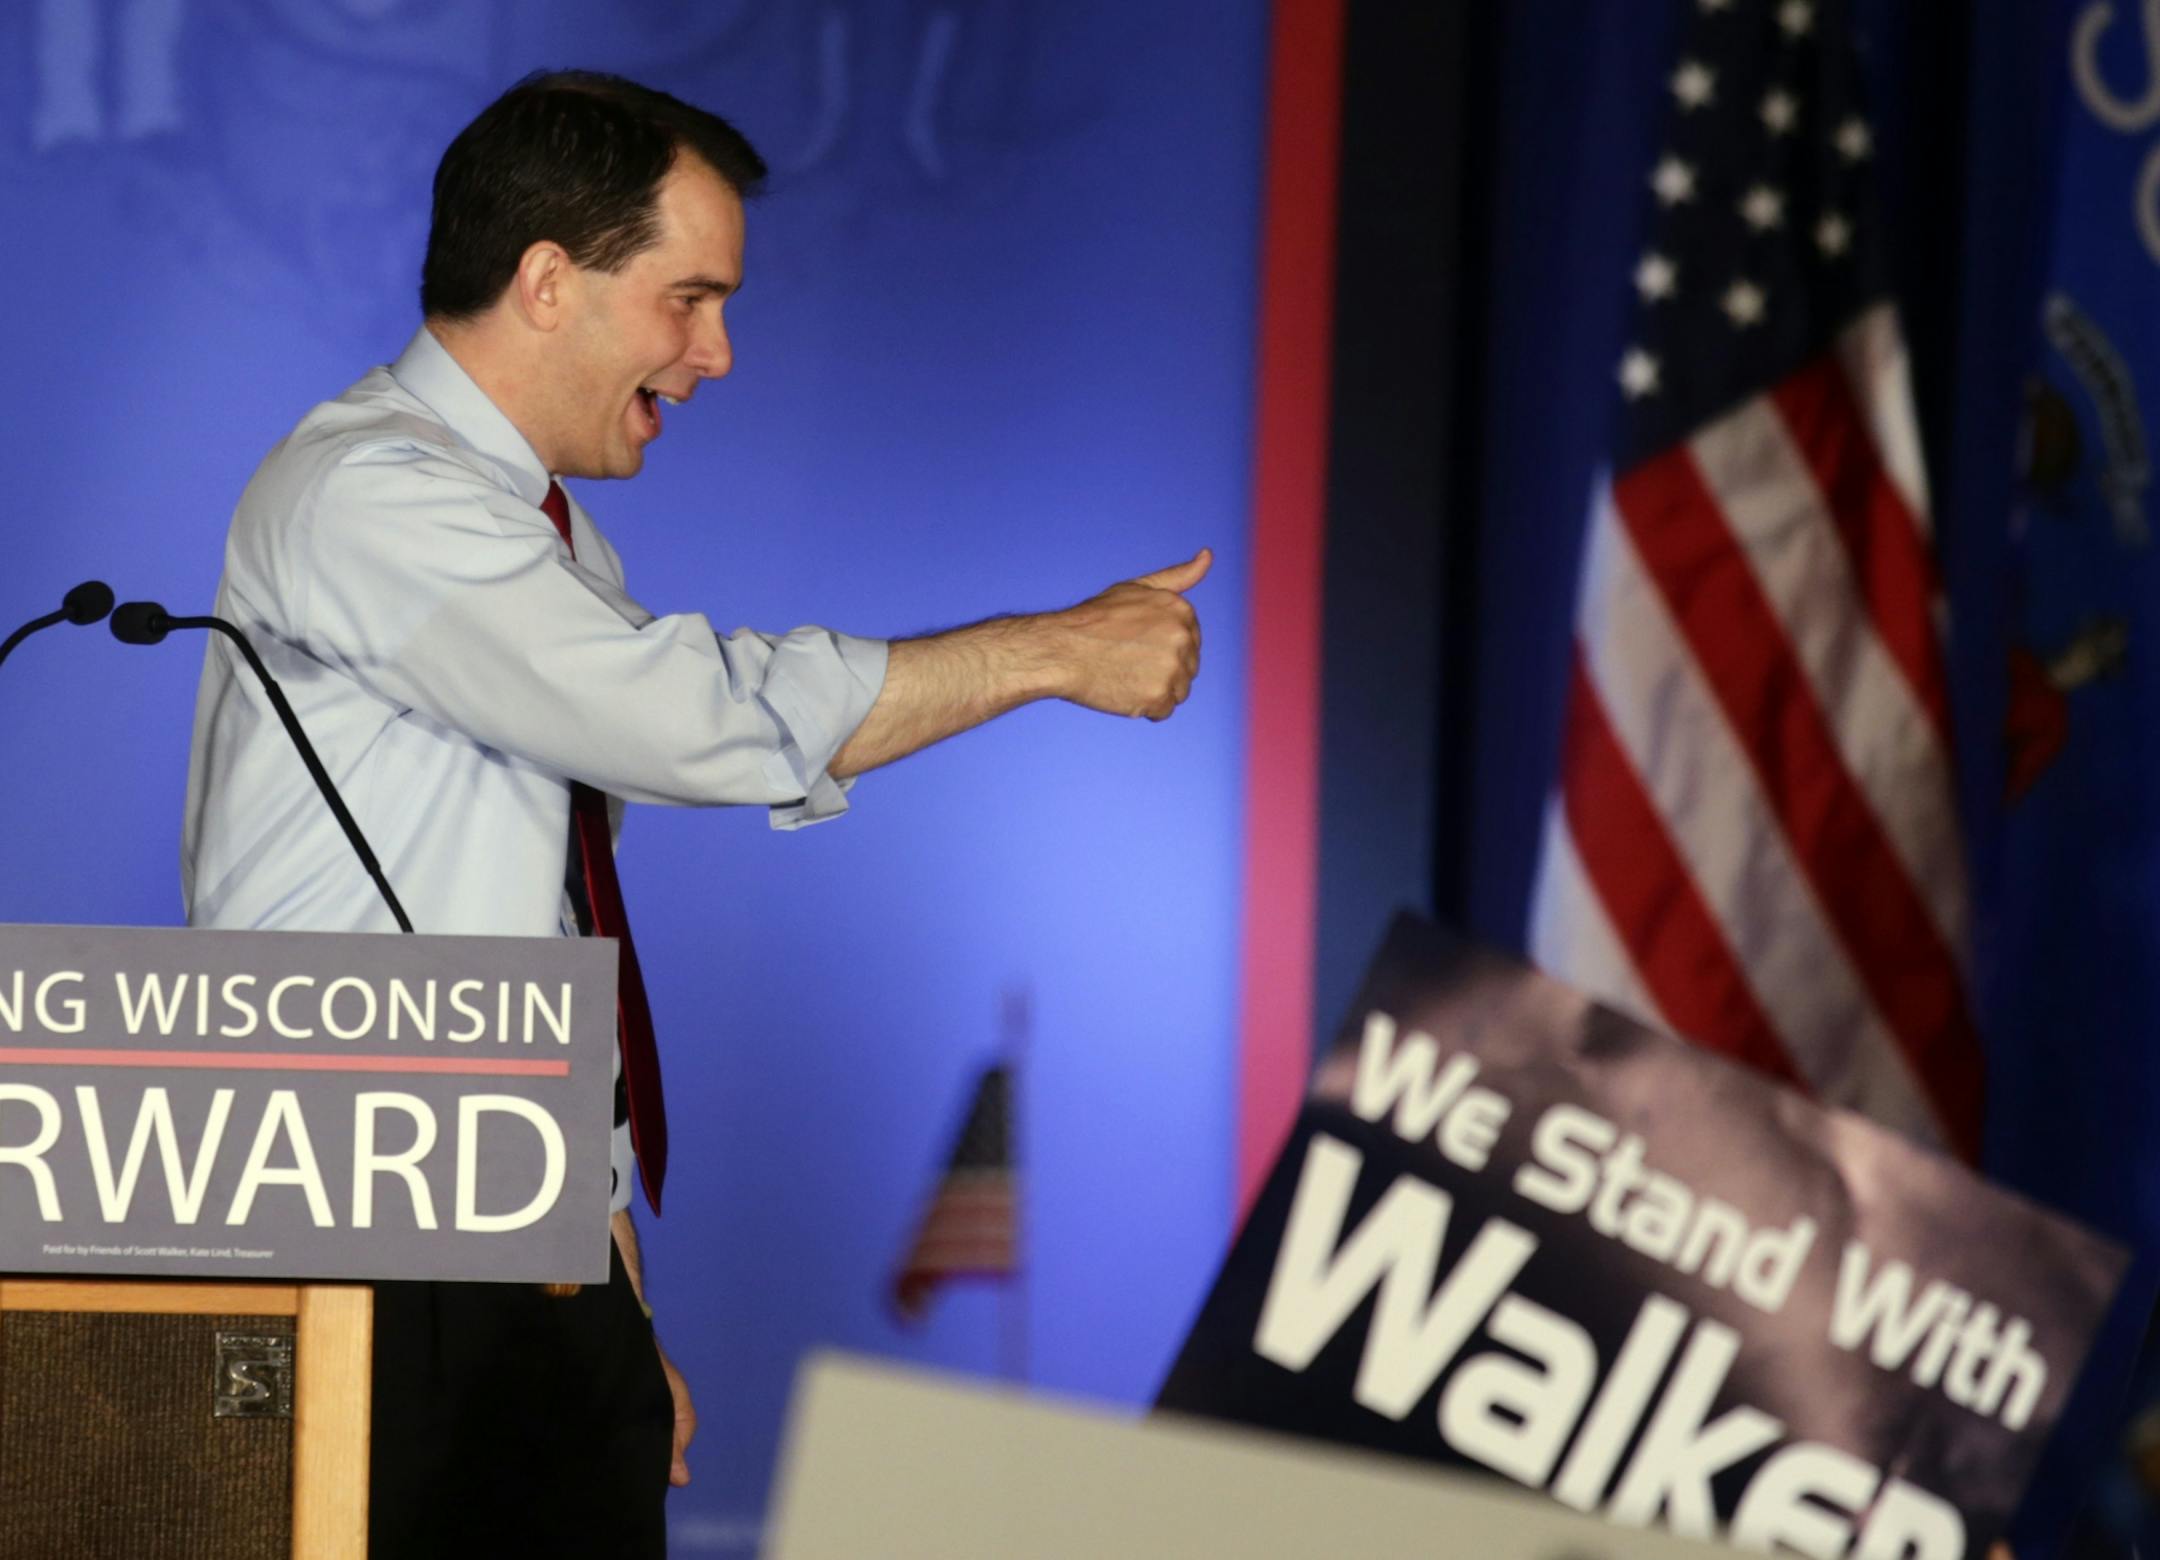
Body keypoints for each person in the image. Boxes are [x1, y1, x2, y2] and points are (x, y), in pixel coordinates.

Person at [179, 70, 1207, 1558]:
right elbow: (684, 718)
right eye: (691, 299)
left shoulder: (542, 528)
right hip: (361, 1265)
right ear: (547, 282)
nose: (718, 354)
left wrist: (604, 1296)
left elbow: (530, 934)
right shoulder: (368, 492)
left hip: (497, 1256)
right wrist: (1044, 652)